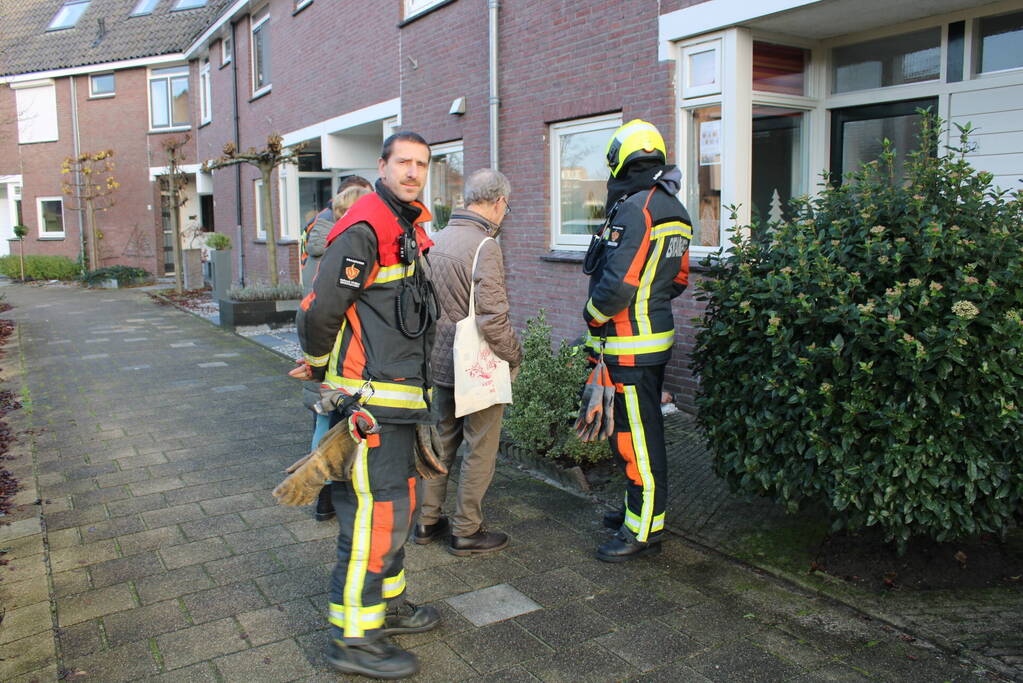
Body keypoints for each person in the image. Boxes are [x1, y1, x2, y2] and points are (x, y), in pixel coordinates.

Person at [296, 132, 440, 679]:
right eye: (403, 162)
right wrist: (316, 369)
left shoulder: (405, 222)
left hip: (398, 401)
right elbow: (319, 311)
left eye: (421, 163)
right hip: (368, 403)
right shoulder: (365, 226)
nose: (412, 171)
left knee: (396, 509)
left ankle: (388, 606)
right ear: (382, 165)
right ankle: (353, 639)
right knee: (371, 521)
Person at [581, 119, 692, 563]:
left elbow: (617, 286)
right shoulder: (674, 207)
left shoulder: (634, 208)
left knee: (635, 440)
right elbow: (679, 279)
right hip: (652, 340)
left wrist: (591, 319)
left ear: (619, 160)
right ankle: (637, 511)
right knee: (641, 433)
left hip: (627, 344)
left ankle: (642, 529)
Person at [415, 168, 521, 556]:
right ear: (497, 203)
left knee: (442, 440)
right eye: (506, 207)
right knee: (479, 448)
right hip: (476, 367)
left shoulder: (437, 239)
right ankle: (466, 530)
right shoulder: (484, 246)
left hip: (439, 360)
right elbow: (493, 318)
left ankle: (427, 522)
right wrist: (514, 353)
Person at [296, 176, 372, 522]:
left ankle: (323, 496)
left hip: (322, 346)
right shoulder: (346, 252)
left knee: (323, 421)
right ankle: (333, 494)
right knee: (338, 423)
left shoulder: (321, 238)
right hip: (340, 350)